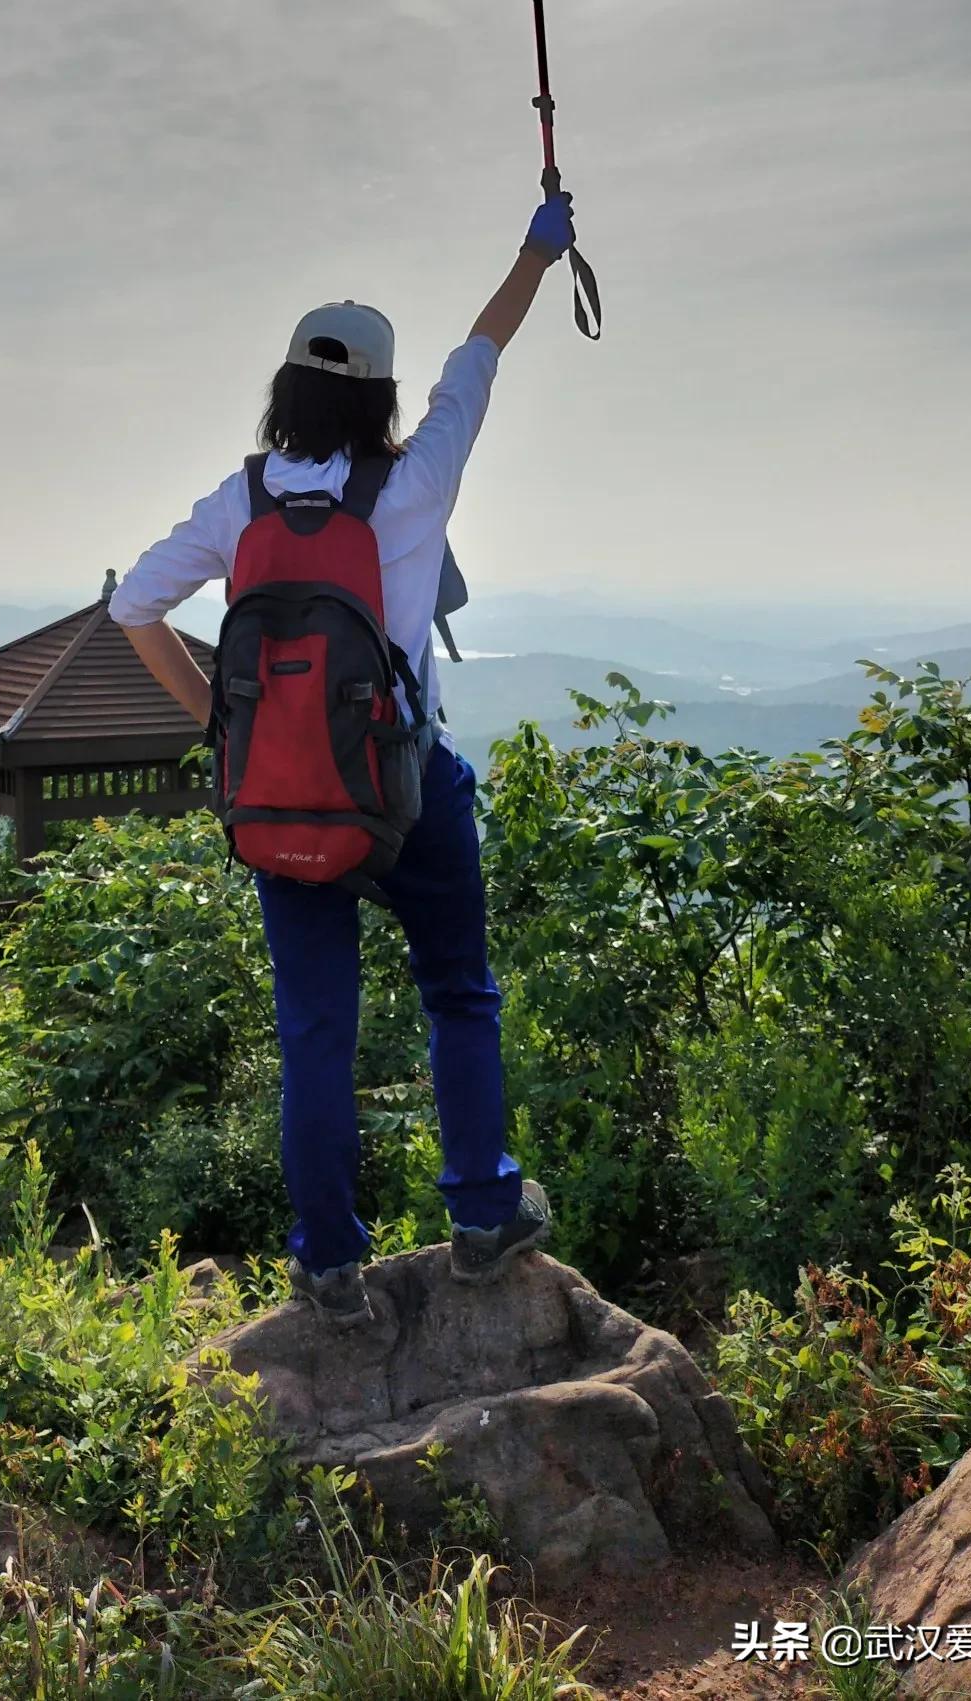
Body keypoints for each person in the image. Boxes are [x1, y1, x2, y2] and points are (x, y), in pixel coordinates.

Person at [107, 196, 576, 1326]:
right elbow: (481, 351)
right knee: (456, 993)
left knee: (315, 1028)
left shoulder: (241, 498)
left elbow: (132, 605)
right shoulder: (413, 485)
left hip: (279, 796)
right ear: (380, 396)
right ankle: (479, 1216)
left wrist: (221, 724)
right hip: (407, 790)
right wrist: (537, 251)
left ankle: (326, 1263)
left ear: (286, 390)